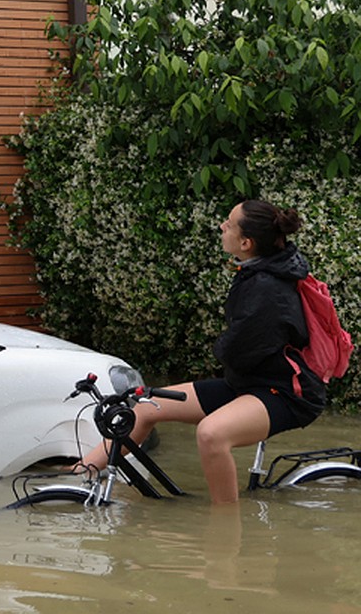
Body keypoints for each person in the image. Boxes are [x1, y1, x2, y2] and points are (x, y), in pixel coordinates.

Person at [76, 199, 325, 504]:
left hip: (284, 393)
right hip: (247, 383)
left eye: (229, 223)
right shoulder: (259, 269)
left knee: (211, 434)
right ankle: (79, 474)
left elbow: (238, 350)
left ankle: (223, 528)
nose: (222, 226)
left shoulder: (268, 288)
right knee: (146, 406)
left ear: (246, 243)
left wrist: (222, 346)